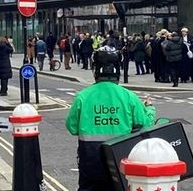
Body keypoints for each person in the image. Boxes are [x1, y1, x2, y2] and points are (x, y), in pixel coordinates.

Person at [65, 47, 156, 191]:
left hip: (90, 157)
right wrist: (150, 109)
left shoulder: (83, 96)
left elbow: (72, 127)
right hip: (120, 156)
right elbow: (144, 124)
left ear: (95, 70)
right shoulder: (129, 96)